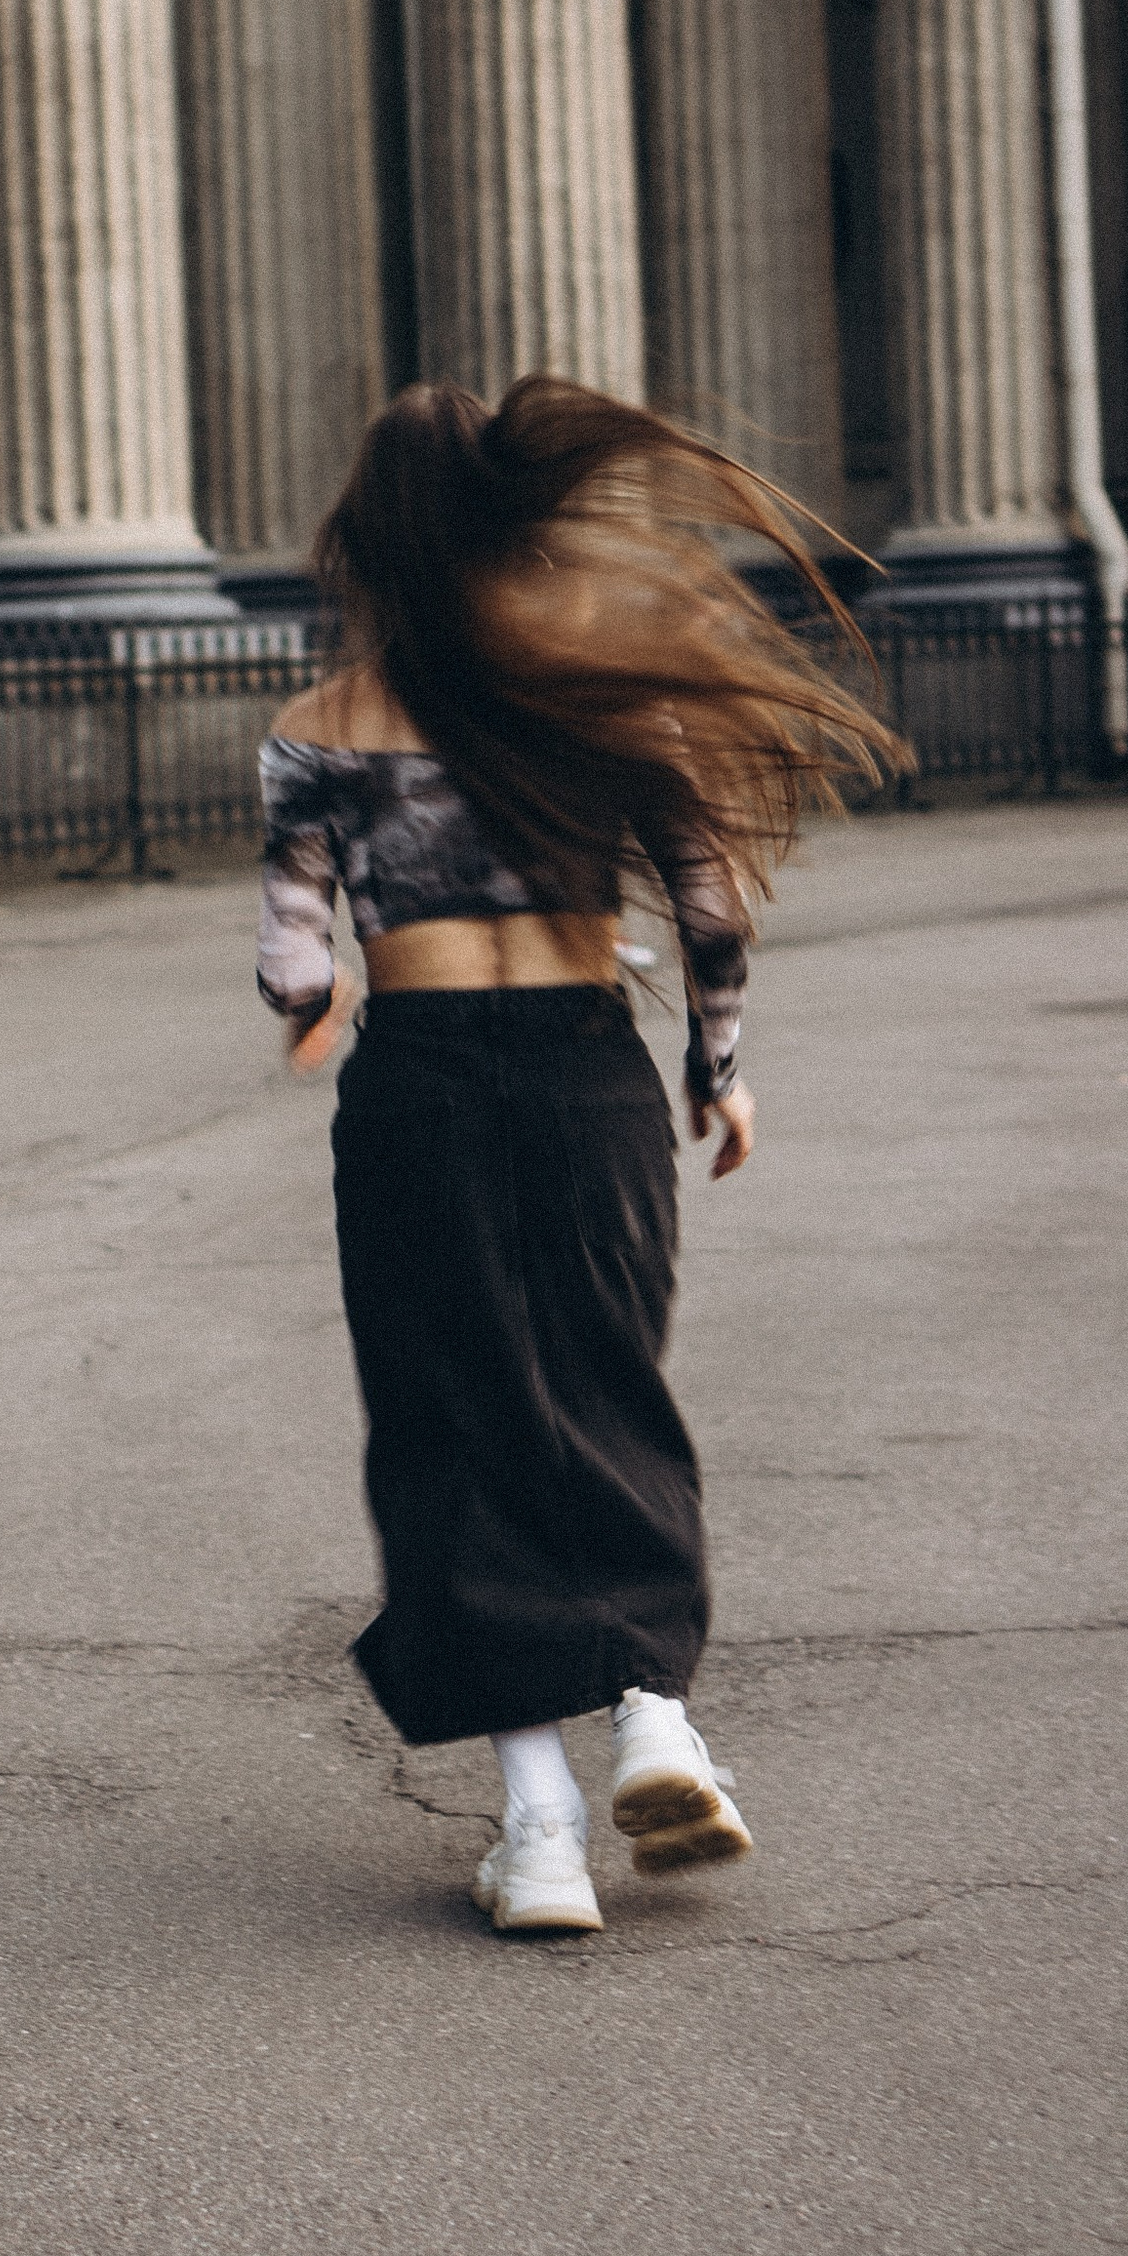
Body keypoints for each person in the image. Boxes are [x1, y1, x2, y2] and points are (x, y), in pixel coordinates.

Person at [259, 379, 902, 1934]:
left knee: (453, 1417)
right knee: (607, 1386)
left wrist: (321, 995)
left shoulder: (318, 731)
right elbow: (709, 913)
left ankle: (538, 1829)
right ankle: (656, 1721)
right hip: (583, 1075)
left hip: (416, 1087)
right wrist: (718, 1075)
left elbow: (292, 965)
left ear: (373, 539)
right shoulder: (600, 692)